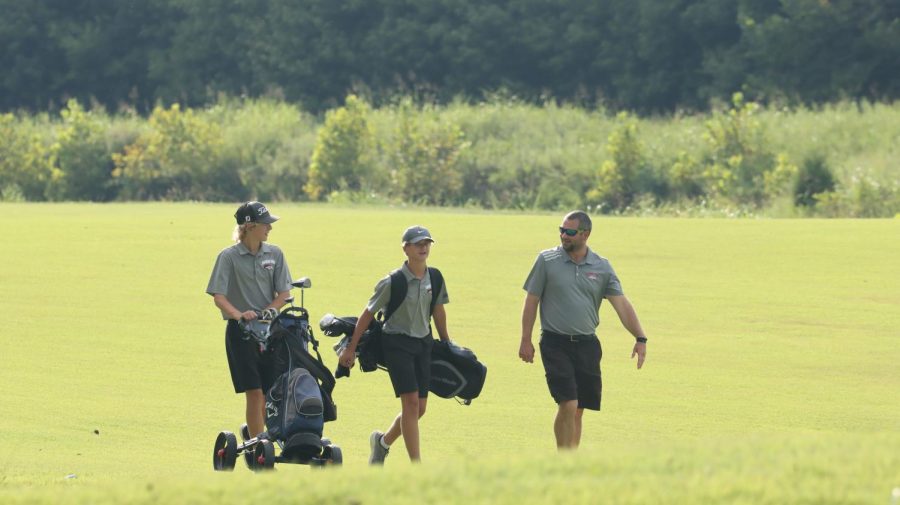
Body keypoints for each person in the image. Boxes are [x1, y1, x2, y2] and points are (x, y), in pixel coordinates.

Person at [519, 210, 648, 450]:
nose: (563, 235)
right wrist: (525, 339)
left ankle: (571, 460)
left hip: (587, 345)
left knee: (578, 409)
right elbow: (531, 300)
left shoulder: (602, 267)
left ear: (585, 234)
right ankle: (563, 459)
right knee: (568, 403)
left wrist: (640, 337)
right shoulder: (546, 261)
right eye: (561, 230)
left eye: (569, 232)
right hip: (554, 343)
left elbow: (622, 304)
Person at [338, 225, 451, 464]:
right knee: (410, 404)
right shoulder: (392, 281)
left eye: (427, 243)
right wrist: (351, 348)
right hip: (396, 344)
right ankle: (416, 465)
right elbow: (367, 314)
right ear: (405, 248)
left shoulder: (436, 277)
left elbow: (439, 312)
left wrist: (447, 342)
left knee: (419, 409)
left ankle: (382, 442)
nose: (424, 247)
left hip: (424, 344)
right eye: (418, 244)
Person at [206, 201, 293, 440]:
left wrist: (269, 311)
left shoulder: (275, 254)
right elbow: (218, 296)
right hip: (241, 334)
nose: (270, 229)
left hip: (271, 332)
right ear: (250, 226)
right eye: (266, 224)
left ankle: (255, 434)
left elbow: (284, 294)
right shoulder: (228, 257)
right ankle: (258, 447)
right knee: (255, 393)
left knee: (270, 392)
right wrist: (239, 315)